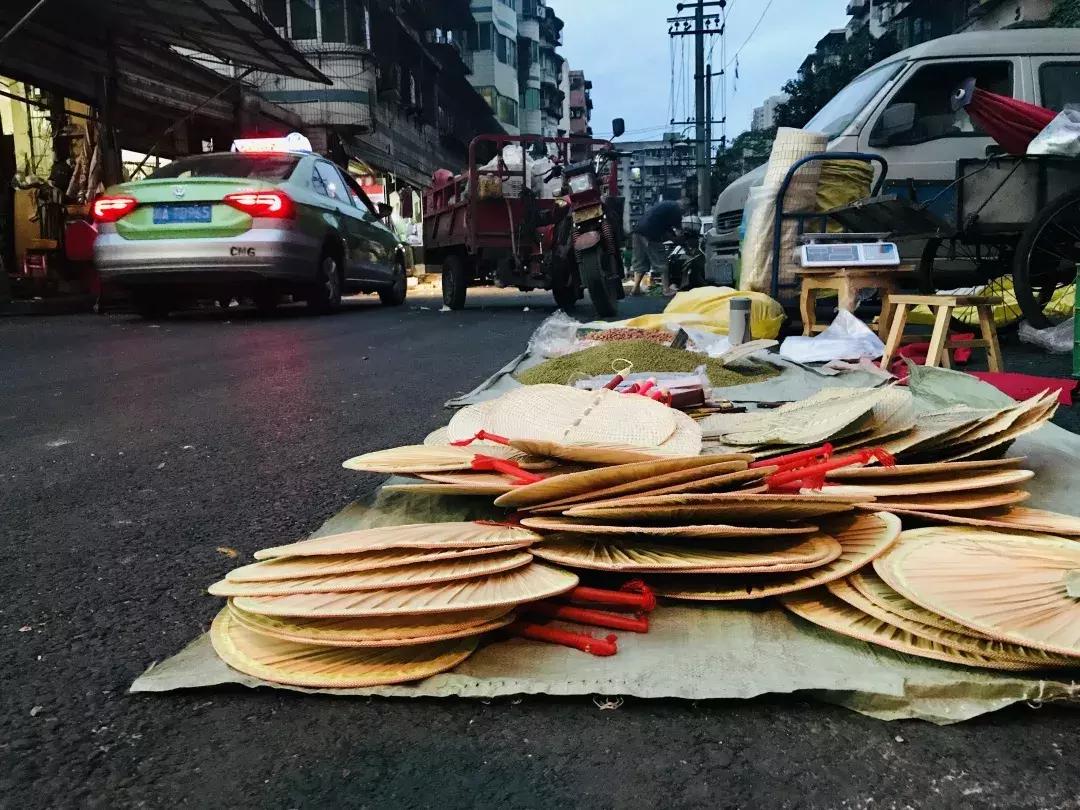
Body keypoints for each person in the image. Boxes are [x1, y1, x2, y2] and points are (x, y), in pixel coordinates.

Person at [630, 198, 687, 296]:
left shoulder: (664, 206)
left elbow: (667, 230)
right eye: (685, 211)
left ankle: (635, 288)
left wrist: (674, 237)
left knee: (640, 262)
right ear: (684, 206)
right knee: (661, 262)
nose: (684, 214)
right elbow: (678, 230)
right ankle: (666, 290)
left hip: (637, 232)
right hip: (650, 235)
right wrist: (682, 238)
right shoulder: (676, 209)